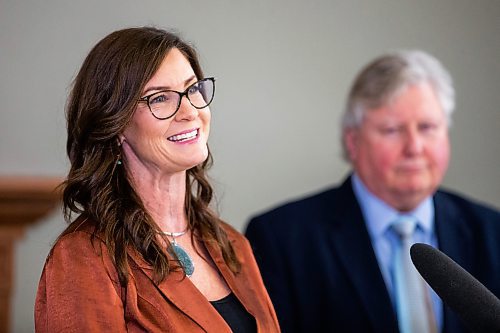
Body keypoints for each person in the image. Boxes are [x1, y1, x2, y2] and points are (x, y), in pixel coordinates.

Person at [35, 26, 280, 333]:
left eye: (193, 89)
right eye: (160, 98)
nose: (190, 111)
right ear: (116, 124)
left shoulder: (232, 244)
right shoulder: (83, 258)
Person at [245, 50, 500, 333]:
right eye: (392, 130)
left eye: (427, 127)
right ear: (353, 142)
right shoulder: (281, 239)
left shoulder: (492, 231)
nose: (414, 147)